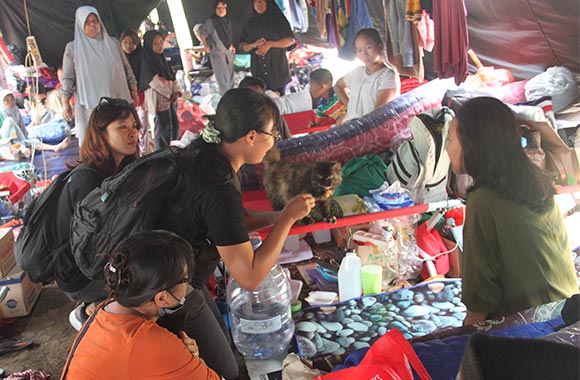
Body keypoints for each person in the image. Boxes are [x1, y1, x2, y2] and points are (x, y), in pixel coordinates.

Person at [158, 88, 315, 379]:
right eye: (272, 134)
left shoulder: (208, 156)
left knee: (224, 339)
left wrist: (278, 215)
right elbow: (250, 276)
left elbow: (232, 221)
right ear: (251, 136)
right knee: (226, 370)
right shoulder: (218, 184)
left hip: (181, 273)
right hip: (166, 289)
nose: (273, 142)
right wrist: (287, 220)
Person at [445, 97, 578, 326]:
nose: (447, 148)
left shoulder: (482, 200)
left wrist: (462, 352)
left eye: (450, 139)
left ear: (472, 143)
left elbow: (479, 302)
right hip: (569, 313)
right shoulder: (536, 181)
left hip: (533, 329)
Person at [61, 230, 220, 380]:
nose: (188, 286)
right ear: (162, 298)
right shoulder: (150, 342)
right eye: (186, 279)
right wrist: (189, 360)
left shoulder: (105, 310)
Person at [54, 97, 140, 329]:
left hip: (98, 260)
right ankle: (90, 310)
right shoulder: (87, 180)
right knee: (149, 282)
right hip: (79, 273)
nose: (132, 133)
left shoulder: (120, 171)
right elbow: (94, 247)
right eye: (122, 127)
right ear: (101, 134)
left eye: (134, 126)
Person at [61, 6, 139, 147]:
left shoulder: (113, 44)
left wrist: (134, 91)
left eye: (95, 20)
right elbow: (68, 77)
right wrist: (65, 101)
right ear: (80, 25)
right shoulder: (73, 49)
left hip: (116, 101)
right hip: (91, 107)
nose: (92, 25)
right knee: (98, 142)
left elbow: (127, 69)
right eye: (87, 22)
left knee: (119, 140)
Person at [334, 28, 400, 121]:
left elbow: (378, 113)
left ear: (380, 46)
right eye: (359, 50)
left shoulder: (388, 75)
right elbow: (338, 86)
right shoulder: (356, 72)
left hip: (373, 129)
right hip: (354, 127)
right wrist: (350, 110)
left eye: (368, 47)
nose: (364, 54)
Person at [240, 0, 296, 94]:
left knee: (279, 102)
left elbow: (291, 40)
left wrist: (270, 44)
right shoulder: (249, 23)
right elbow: (242, 47)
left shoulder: (278, 20)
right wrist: (254, 45)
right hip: (259, 74)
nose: (259, 4)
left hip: (278, 73)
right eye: (256, 2)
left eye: (262, 1)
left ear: (268, 3)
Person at [140, 30, 182, 151]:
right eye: (155, 43)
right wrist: (170, 94)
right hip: (159, 101)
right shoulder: (147, 62)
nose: (159, 46)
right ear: (149, 45)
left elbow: (172, 77)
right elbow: (154, 83)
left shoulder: (162, 60)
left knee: (173, 125)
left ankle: (173, 150)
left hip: (170, 100)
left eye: (160, 42)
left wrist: (176, 92)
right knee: (162, 129)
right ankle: (162, 153)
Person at [120, 28, 152, 154]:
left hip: (141, 94)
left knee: (141, 123)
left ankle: (143, 152)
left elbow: (145, 77)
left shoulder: (142, 57)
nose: (128, 46)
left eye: (132, 42)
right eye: (125, 42)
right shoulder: (119, 60)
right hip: (125, 96)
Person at [200, 1, 235, 95]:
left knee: (230, 77)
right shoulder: (211, 21)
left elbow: (228, 36)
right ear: (215, 10)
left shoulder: (227, 20)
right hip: (217, 53)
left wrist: (231, 45)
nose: (221, 10)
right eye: (218, 8)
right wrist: (205, 45)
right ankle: (225, 97)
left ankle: (231, 96)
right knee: (222, 79)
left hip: (228, 52)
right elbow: (202, 34)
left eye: (222, 8)